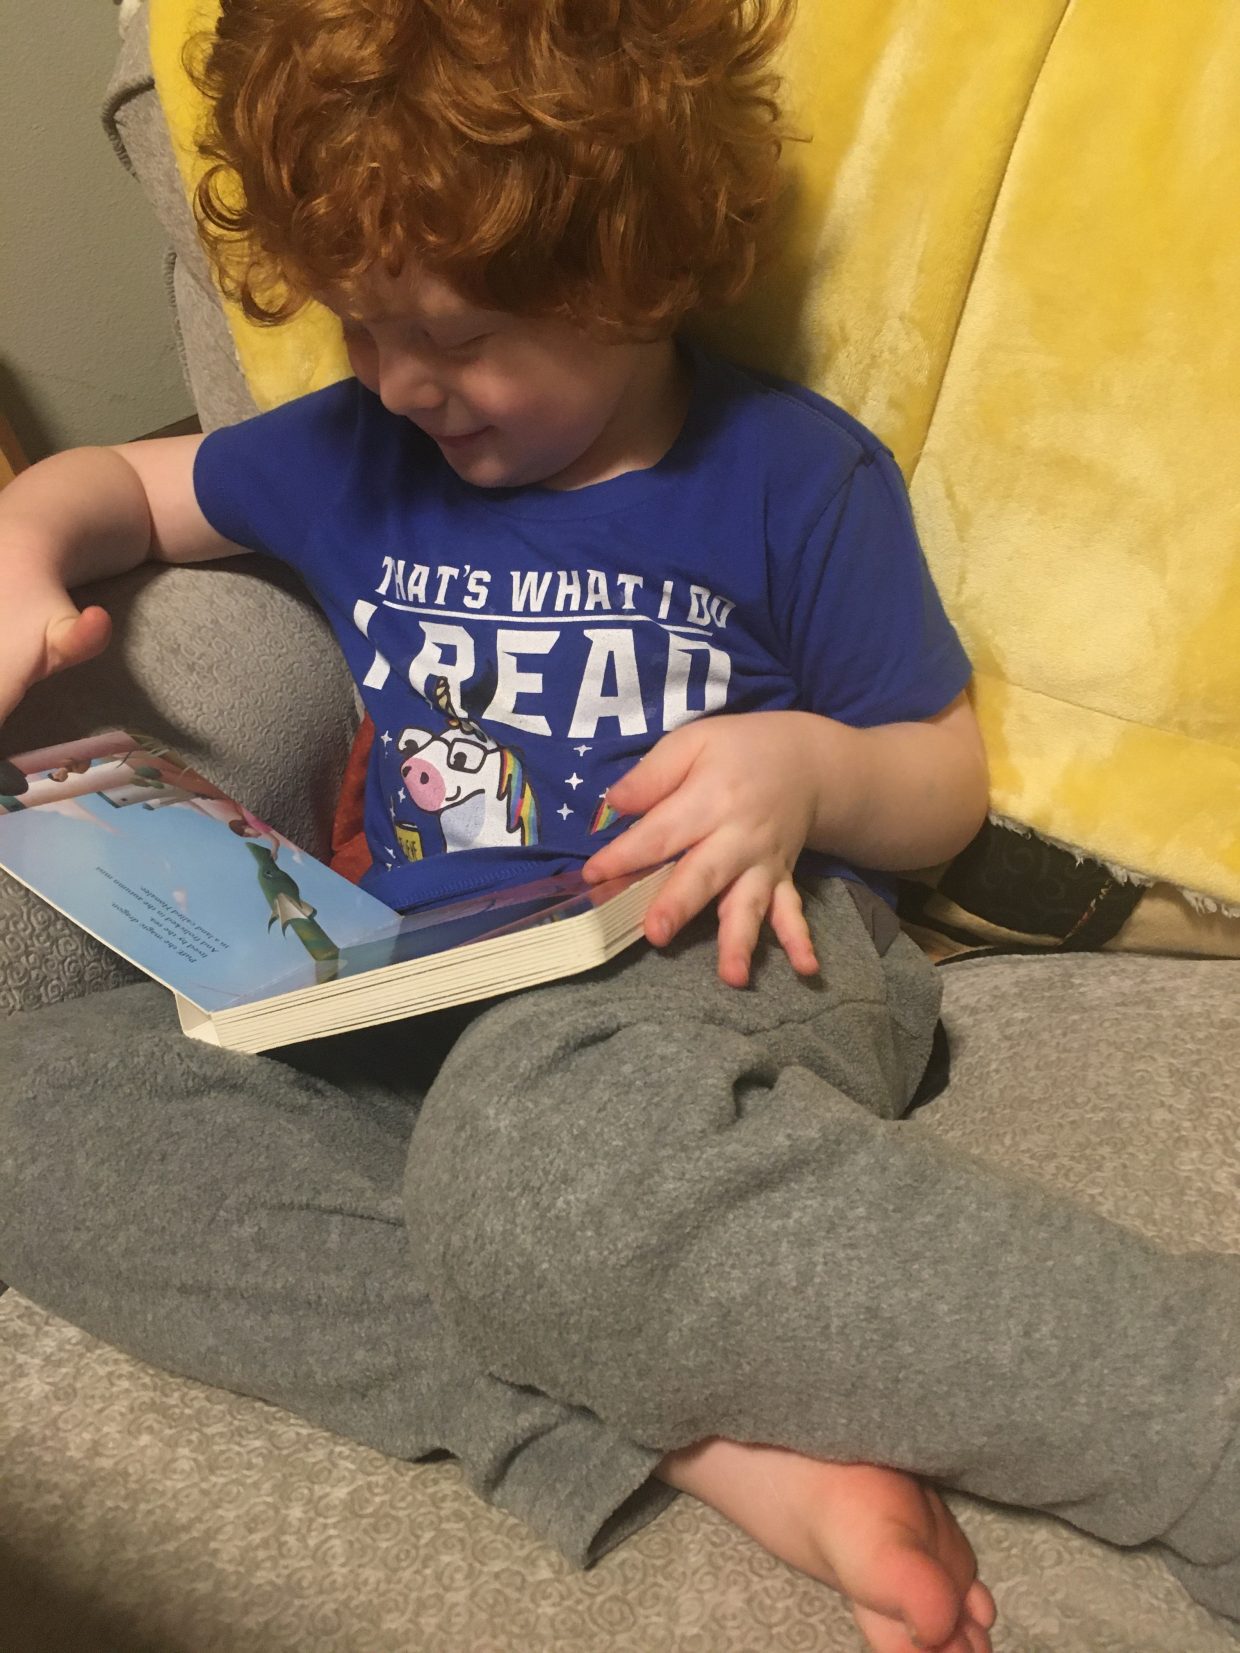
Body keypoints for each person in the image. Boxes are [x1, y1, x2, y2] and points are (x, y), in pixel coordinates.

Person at [1, 3, 1237, 1650]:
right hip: (424, 996)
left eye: (461, 335)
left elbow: (939, 780)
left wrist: (806, 772)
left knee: (532, 1148)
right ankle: (701, 1435)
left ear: (630, 272)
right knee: (30, 1109)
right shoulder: (359, 450)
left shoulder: (788, 474)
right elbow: (131, 488)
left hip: (723, 959)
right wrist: (25, 540)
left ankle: (1200, 1416)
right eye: (363, 326)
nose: (405, 382)